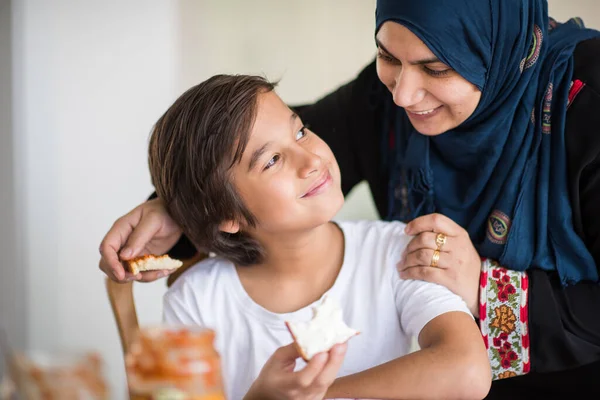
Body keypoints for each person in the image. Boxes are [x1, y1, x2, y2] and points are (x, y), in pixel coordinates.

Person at [99, 0, 600, 397]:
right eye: (387, 56)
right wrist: (174, 206)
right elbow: (253, 150)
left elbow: (462, 372)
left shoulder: (589, 102)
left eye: (437, 68)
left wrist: (485, 289)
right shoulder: (386, 100)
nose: (402, 95)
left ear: (499, 49)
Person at [148, 73, 491, 399]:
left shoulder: (397, 251)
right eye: (272, 161)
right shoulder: (194, 301)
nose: (311, 158)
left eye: (300, 132)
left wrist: (317, 392)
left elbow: (469, 372)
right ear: (226, 215)